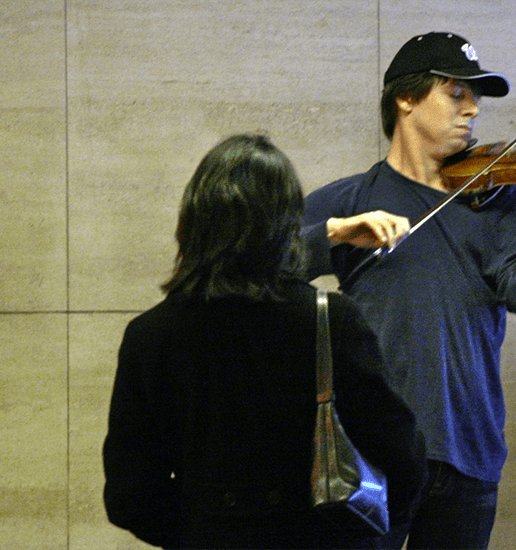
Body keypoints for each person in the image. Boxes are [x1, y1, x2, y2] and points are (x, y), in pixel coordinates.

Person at [301, 32, 516, 549]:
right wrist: (337, 232)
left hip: (468, 452)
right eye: (456, 93)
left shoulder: (497, 200)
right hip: (370, 454)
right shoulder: (352, 200)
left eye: (475, 97)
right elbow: (259, 264)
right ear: (406, 98)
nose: (474, 110)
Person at [102, 134, 427, 549]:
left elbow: (129, 495)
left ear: (191, 222)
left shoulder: (150, 336)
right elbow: (403, 456)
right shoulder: (331, 321)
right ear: (287, 226)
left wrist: (202, 533)